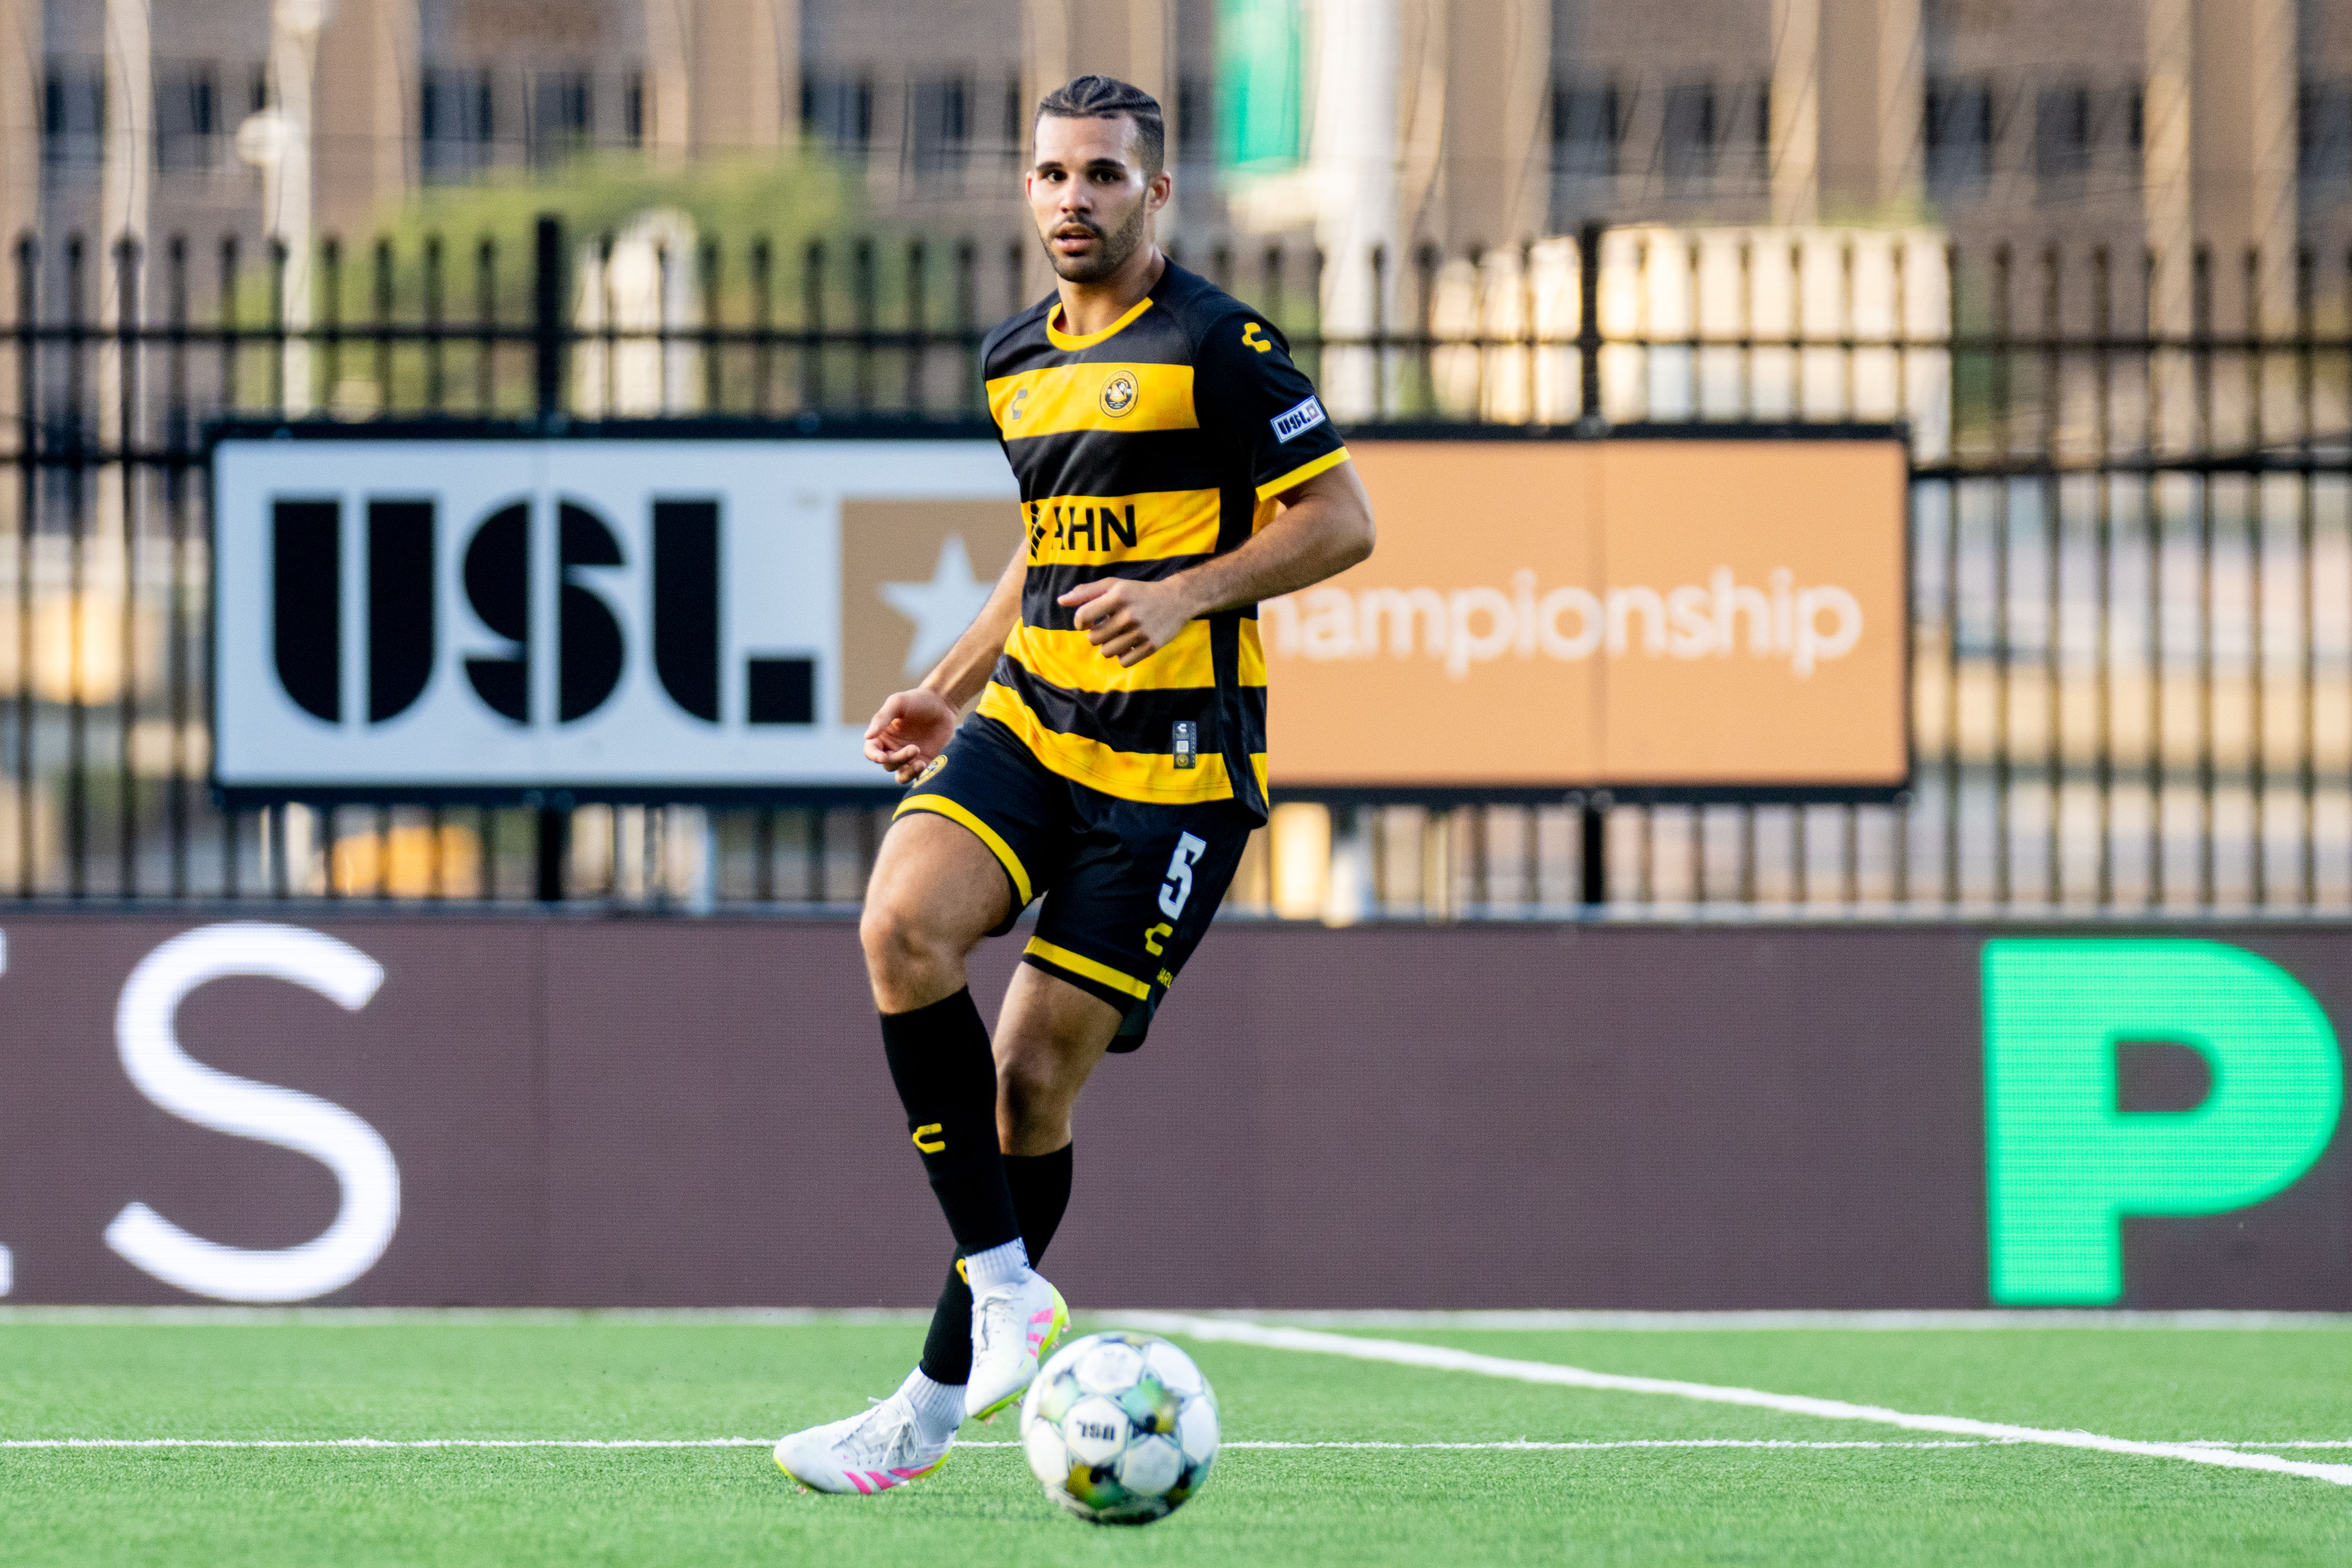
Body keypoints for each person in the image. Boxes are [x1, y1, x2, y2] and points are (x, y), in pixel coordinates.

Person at [774, 73, 1376, 1495]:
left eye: (1104, 176)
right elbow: (1048, 540)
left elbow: (1343, 521)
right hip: (1036, 723)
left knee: (1031, 1080)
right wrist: (957, 677)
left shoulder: (1221, 347)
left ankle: (924, 1411)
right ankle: (1003, 1292)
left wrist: (1188, 596)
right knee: (898, 926)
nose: (1073, 200)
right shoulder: (1011, 360)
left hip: (1174, 767)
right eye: (1052, 175)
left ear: (1155, 194)